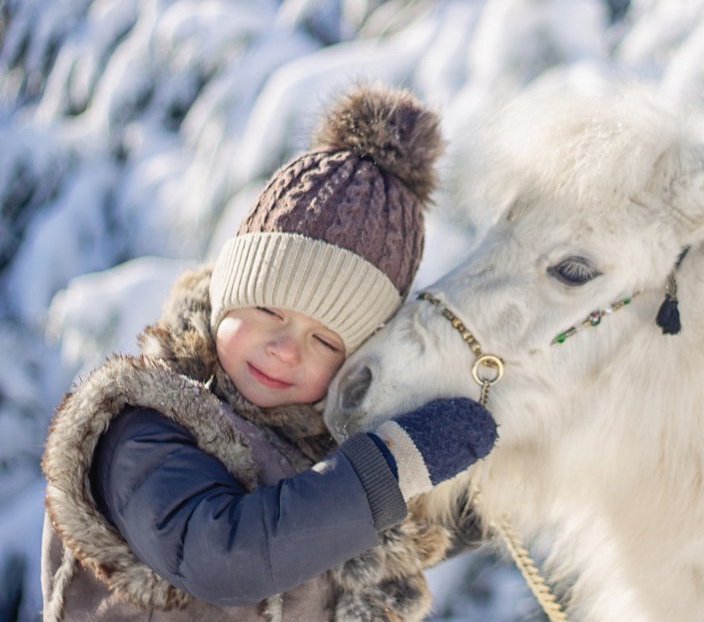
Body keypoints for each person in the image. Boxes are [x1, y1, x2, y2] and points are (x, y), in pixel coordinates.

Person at [40, 84, 498, 622]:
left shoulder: (322, 470)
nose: (284, 350)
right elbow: (225, 556)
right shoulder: (142, 428)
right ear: (226, 296)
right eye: (268, 311)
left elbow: (414, 525)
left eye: (326, 341)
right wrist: (393, 466)